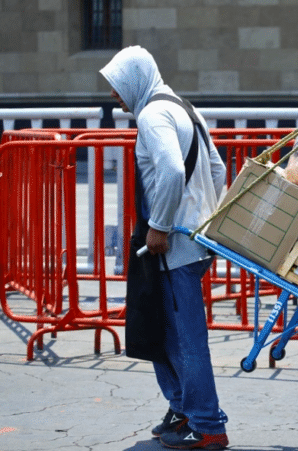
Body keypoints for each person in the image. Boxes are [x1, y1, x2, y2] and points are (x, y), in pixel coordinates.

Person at [100, 46, 229, 450]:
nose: (113, 95)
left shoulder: (154, 115)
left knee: (184, 338)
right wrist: (207, 218)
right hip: (193, 239)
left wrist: (159, 227)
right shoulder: (183, 106)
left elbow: (173, 169)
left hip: (173, 244)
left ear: (135, 79)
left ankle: (207, 424)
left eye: (117, 86)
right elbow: (217, 169)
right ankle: (182, 409)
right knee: (165, 331)